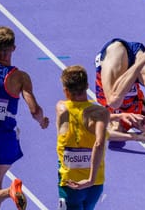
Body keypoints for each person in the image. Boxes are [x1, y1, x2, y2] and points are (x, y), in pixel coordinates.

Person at [0, 26, 49, 210]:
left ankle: (10, 192)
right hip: (8, 140)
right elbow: (34, 110)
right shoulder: (21, 77)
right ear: (13, 48)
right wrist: (42, 121)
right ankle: (6, 192)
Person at [56, 65, 110, 210]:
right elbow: (99, 142)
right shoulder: (101, 113)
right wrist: (90, 180)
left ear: (66, 91)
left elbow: (77, 116)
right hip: (95, 183)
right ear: (87, 86)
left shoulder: (62, 108)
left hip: (70, 183)